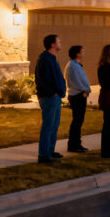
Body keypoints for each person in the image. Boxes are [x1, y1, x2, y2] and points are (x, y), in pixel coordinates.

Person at [34, 34, 66, 164]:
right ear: (52, 44)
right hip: (49, 97)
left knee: (54, 125)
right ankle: (44, 155)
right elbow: (42, 80)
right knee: (48, 126)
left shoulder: (51, 58)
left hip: (56, 96)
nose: (60, 43)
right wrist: (52, 93)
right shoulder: (45, 59)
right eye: (58, 41)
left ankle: (50, 151)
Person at [63, 45, 90, 153]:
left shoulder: (75, 65)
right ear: (77, 54)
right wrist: (85, 90)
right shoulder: (73, 66)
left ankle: (76, 144)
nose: (83, 54)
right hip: (77, 96)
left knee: (78, 121)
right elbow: (76, 81)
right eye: (82, 52)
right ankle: (74, 145)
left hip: (79, 95)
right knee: (77, 122)